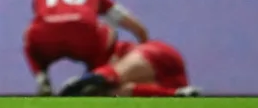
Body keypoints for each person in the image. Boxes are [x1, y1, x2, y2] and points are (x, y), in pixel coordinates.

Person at [24, 0, 148, 95]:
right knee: (110, 31)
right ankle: (93, 78)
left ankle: (41, 77)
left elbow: (40, 18)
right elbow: (121, 17)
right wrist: (143, 36)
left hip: (47, 35)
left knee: (30, 34)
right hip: (83, 34)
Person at [59, 39, 199, 97]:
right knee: (118, 91)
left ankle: (80, 82)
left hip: (153, 54)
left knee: (110, 77)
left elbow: (112, 71)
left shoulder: (117, 51)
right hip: (170, 81)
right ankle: (178, 94)